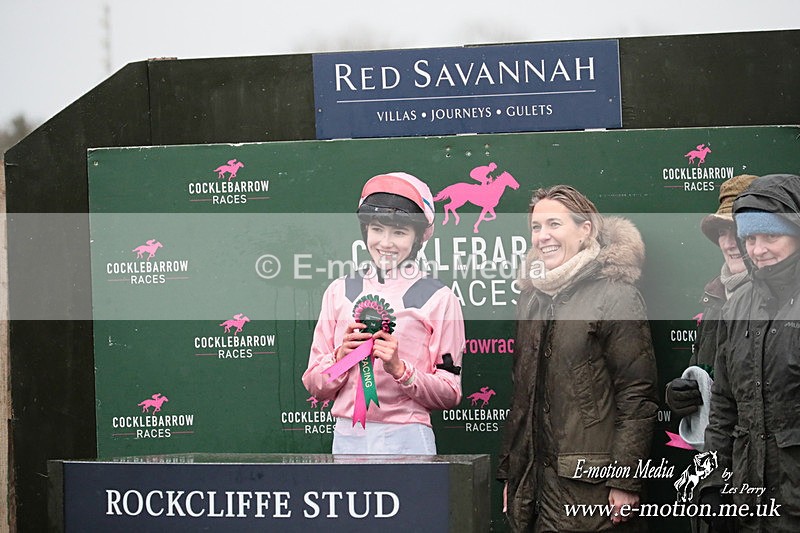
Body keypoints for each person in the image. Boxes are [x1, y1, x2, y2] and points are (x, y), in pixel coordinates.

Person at [497, 184, 659, 531]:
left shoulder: (616, 295)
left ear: (585, 230)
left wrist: (626, 479)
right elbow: (522, 399)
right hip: (536, 489)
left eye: (555, 224)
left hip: (591, 489)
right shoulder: (532, 298)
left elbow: (637, 397)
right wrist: (515, 472)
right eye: (536, 228)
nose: (543, 237)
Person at [302, 171, 465, 454]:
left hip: (408, 437)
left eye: (399, 232)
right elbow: (316, 384)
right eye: (377, 229)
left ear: (420, 236)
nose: (386, 243)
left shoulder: (440, 299)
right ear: (366, 230)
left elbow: (450, 392)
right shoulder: (339, 291)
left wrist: (401, 370)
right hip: (347, 437)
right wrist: (341, 358)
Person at [701, 174, 800, 532]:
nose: (759, 250)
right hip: (748, 504)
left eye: (771, 236)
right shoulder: (739, 303)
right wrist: (713, 480)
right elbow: (725, 403)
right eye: (751, 239)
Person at [665, 175, 757, 451]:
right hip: (716, 458)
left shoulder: (783, 297)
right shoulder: (715, 297)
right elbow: (707, 374)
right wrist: (684, 395)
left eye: (738, 230)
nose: (729, 243)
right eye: (722, 233)